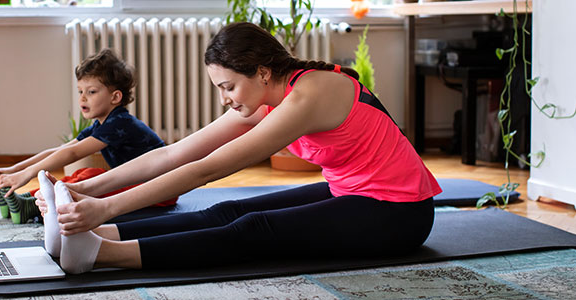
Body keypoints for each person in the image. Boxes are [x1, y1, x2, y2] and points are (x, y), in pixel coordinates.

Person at [37, 22, 442, 274]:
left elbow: (206, 170)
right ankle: (99, 234)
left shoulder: (308, 96)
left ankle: (102, 254)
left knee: (254, 228)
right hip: (354, 192)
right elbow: (175, 154)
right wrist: (84, 193)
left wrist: (106, 203)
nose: (224, 99)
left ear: (262, 72)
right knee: (228, 210)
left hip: (400, 211)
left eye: (227, 87)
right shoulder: (267, 94)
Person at [0, 48, 173, 224]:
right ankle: (25, 199)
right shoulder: (102, 123)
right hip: (134, 185)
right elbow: (64, 149)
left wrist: (27, 174)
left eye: (91, 92)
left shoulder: (120, 123)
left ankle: (31, 206)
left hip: (158, 191)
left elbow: (73, 154)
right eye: (80, 91)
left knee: (92, 177)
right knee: (83, 174)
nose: (82, 98)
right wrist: (16, 169)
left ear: (115, 97)